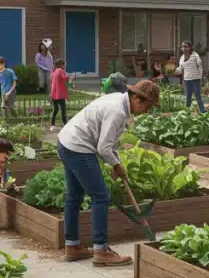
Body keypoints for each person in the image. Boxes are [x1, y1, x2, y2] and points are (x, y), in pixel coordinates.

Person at [57, 79, 161, 266]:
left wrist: (117, 164)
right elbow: (103, 148)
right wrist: (116, 166)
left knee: (74, 195)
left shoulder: (119, 102)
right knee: (101, 197)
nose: (148, 111)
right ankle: (101, 250)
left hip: (67, 142)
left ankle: (72, 247)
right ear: (137, 99)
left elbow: (110, 144)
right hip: (78, 147)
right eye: (149, 106)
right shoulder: (117, 110)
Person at [177, 42, 205, 111]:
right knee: (188, 97)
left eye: (186, 46)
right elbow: (180, 69)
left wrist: (200, 77)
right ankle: (187, 112)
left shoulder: (195, 55)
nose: (184, 48)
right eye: (183, 47)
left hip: (196, 79)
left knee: (198, 96)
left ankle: (203, 111)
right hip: (187, 80)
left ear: (190, 47)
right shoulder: (182, 57)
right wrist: (174, 70)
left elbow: (200, 67)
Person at [50, 58, 69, 130]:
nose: (65, 66)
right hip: (60, 94)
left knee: (55, 109)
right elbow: (64, 78)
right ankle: (65, 124)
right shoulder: (61, 71)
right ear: (61, 65)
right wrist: (70, 77)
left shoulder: (54, 71)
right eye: (64, 65)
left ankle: (52, 125)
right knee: (63, 110)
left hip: (54, 94)